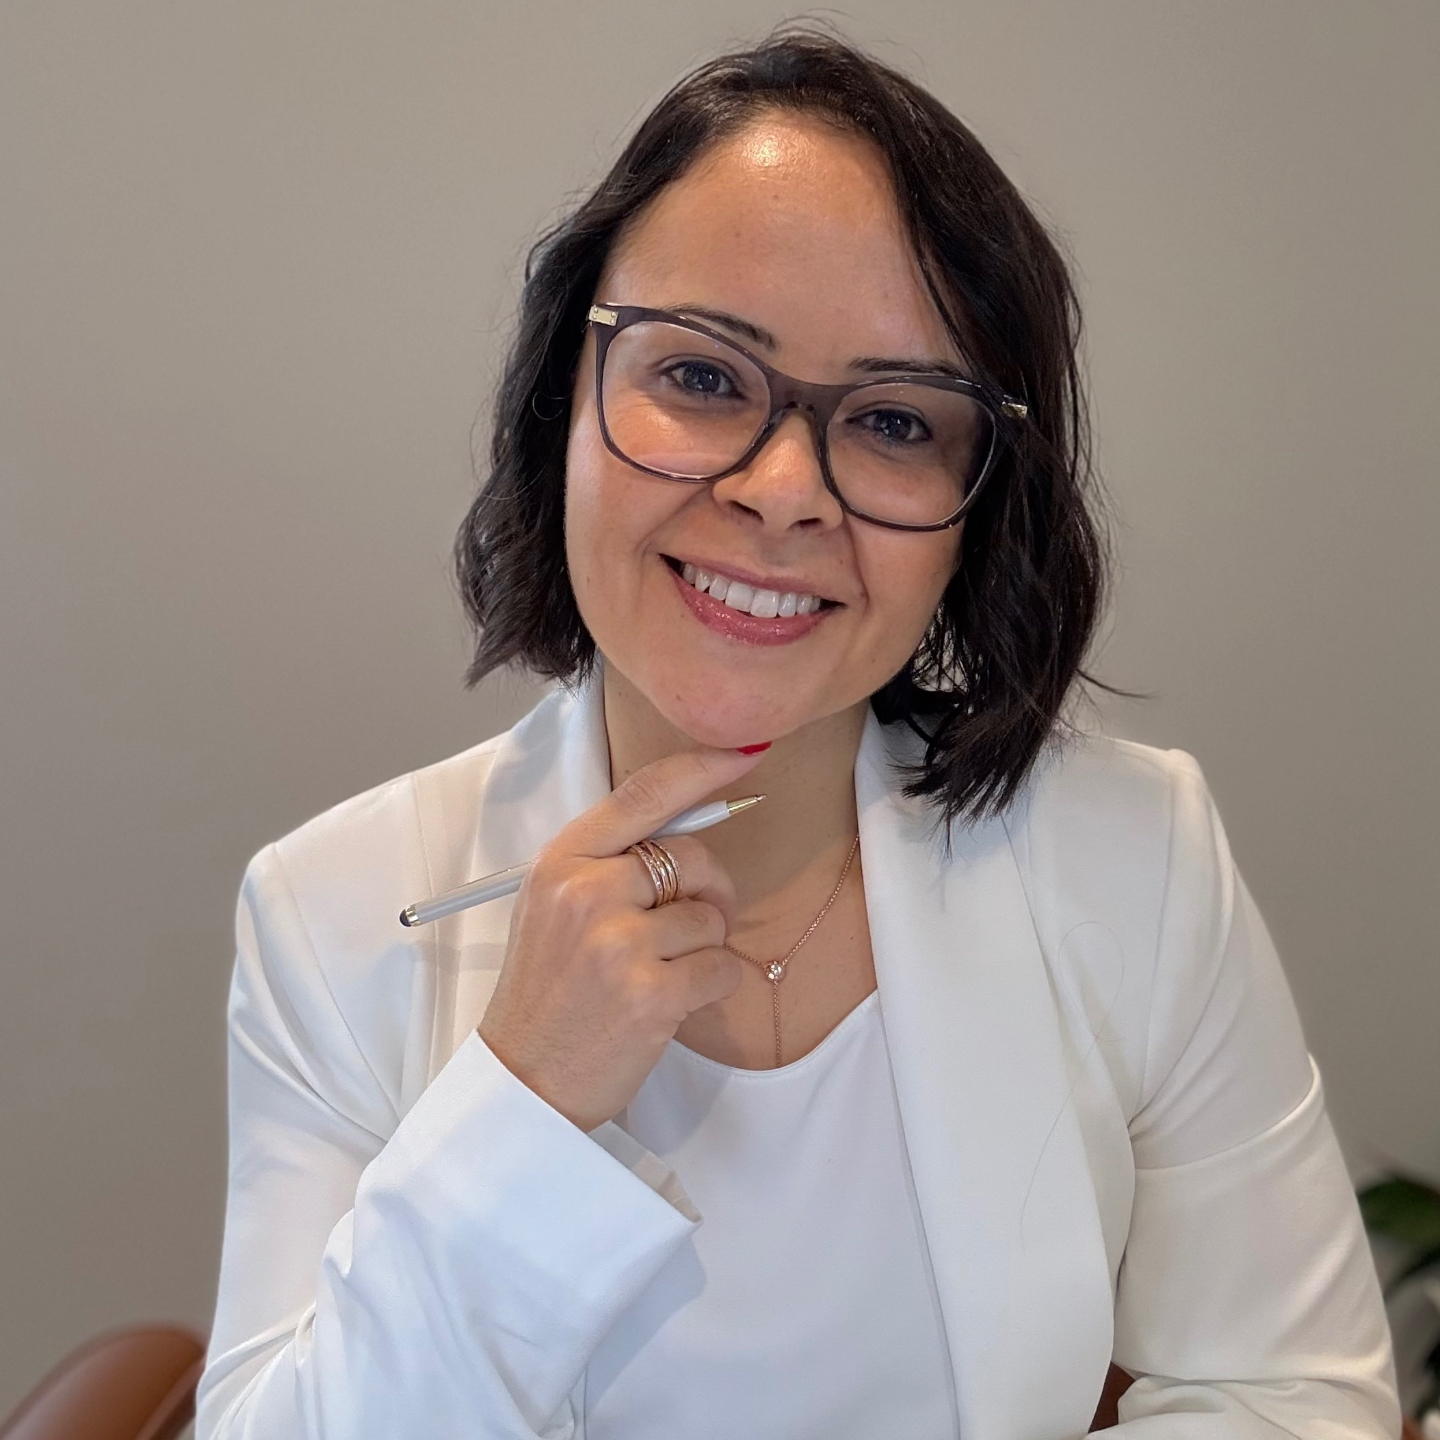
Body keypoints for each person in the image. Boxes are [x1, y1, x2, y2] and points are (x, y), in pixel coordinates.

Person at [195, 29, 1399, 1440]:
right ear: (562, 396)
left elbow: (1287, 1396)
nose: (782, 491)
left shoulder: (1137, 856)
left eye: (893, 420)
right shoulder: (333, 916)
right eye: (704, 378)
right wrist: (524, 1097)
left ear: (978, 513)